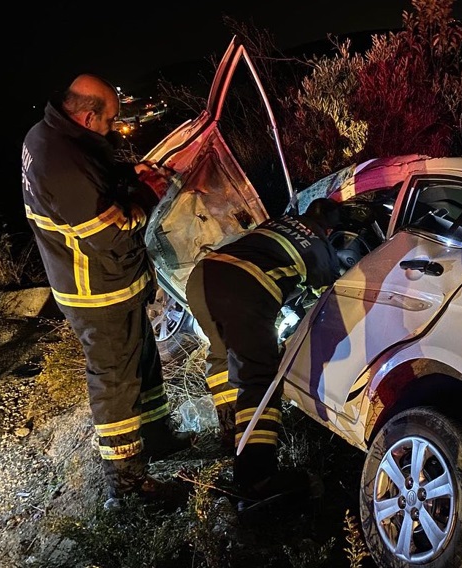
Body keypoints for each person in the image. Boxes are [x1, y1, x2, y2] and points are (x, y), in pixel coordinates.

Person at [21, 74, 191, 509]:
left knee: (143, 360)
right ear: (88, 115)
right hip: (97, 288)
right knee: (114, 380)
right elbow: (111, 237)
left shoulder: (50, 135)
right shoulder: (61, 161)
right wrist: (146, 197)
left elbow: (95, 181)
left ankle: (156, 437)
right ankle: (129, 488)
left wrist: (123, 175)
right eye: (112, 121)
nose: (115, 129)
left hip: (114, 282)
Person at [185, 198, 342, 508]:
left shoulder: (278, 221)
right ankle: (256, 477)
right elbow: (331, 299)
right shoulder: (321, 247)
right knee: (260, 378)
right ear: (331, 229)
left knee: (222, 356)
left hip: (202, 277)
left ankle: (232, 432)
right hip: (245, 288)